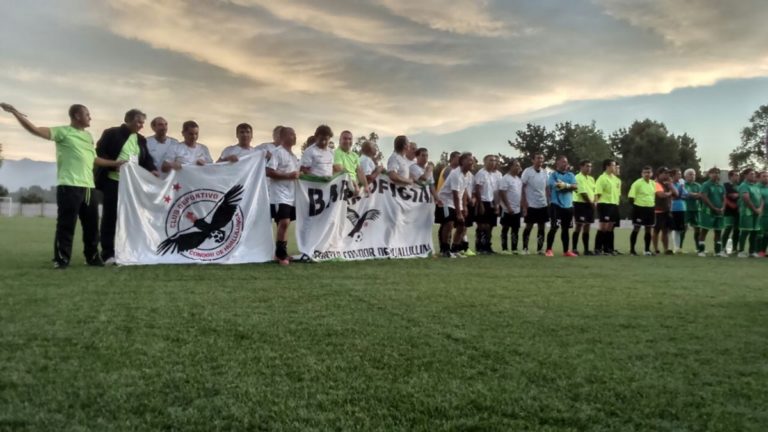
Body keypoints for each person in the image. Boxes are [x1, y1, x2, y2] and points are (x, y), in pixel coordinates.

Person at [1, 102, 124, 268]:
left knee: (92, 226)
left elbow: (93, 159)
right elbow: (35, 130)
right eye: (87, 114)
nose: (90, 118)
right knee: (66, 225)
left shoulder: (88, 136)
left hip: (89, 188)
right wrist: (16, 112)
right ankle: (61, 259)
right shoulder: (62, 132)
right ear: (77, 116)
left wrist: (114, 163)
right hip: (69, 186)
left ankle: (92, 258)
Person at [95, 109, 157, 265]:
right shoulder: (111, 133)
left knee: (130, 217)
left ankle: (128, 250)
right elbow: (100, 153)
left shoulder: (141, 140)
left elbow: (146, 159)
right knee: (110, 218)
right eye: (138, 122)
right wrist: (112, 166)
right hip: (113, 182)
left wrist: (152, 170)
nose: (141, 125)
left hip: (132, 185)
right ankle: (108, 253)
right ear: (127, 120)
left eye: (142, 123)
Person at [266, 127, 300, 266]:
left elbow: (295, 174)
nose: (294, 136)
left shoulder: (293, 156)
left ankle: (281, 252)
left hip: (291, 194)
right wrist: (288, 175)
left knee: (286, 224)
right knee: (284, 222)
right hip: (280, 194)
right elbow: (269, 171)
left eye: (295, 134)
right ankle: (280, 256)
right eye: (292, 134)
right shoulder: (277, 152)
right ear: (283, 136)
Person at [435, 153, 473, 257]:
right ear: (463, 161)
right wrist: (458, 213)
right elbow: (455, 194)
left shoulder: (468, 174)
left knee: (462, 226)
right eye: (470, 160)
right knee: (449, 224)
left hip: (456, 202)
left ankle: (455, 249)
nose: (472, 162)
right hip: (446, 201)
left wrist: (464, 206)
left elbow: (464, 191)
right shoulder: (455, 174)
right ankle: (445, 250)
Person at [545, 156, 578, 257]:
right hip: (556, 205)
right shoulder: (553, 175)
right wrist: (567, 186)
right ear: (557, 163)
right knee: (554, 227)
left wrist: (566, 185)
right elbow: (555, 186)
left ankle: (566, 251)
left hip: (568, 206)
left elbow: (575, 186)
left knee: (566, 229)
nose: (565, 164)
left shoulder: (571, 175)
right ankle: (549, 250)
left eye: (566, 162)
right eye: (563, 162)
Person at [520, 153, 549, 255]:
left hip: (542, 204)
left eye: (541, 158)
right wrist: (524, 204)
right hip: (531, 204)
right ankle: (525, 248)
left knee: (542, 227)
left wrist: (548, 201)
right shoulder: (527, 171)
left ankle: (539, 249)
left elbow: (546, 188)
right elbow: (522, 187)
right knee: (529, 226)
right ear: (533, 160)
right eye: (538, 158)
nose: (540, 160)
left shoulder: (545, 172)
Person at [473, 155, 501, 254]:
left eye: (494, 160)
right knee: (482, 225)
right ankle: (480, 246)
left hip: (492, 202)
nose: (493, 162)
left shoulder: (497, 174)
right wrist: (480, 204)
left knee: (491, 226)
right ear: (485, 162)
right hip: (483, 202)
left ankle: (487, 246)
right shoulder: (481, 173)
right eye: (490, 160)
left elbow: (497, 191)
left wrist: (497, 205)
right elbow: (477, 190)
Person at [697, 167, 726, 257]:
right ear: (709, 174)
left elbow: (724, 198)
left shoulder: (721, 186)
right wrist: (713, 207)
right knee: (704, 230)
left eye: (717, 173)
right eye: (713, 173)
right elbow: (704, 197)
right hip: (708, 211)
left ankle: (717, 251)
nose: (715, 174)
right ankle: (701, 250)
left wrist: (723, 208)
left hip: (719, 212)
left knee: (718, 231)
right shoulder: (706, 185)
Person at [627, 166, 656, 256]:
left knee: (648, 229)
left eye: (649, 172)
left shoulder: (653, 183)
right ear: (642, 174)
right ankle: (632, 250)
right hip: (639, 208)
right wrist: (636, 208)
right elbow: (631, 197)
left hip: (650, 208)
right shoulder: (637, 183)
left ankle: (647, 250)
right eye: (645, 172)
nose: (647, 174)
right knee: (637, 228)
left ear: (651, 173)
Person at [594, 159, 620, 255]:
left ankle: (607, 249)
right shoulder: (602, 178)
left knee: (610, 228)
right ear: (607, 166)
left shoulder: (614, 179)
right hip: (604, 204)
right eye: (613, 165)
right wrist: (596, 204)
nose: (615, 167)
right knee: (603, 227)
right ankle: (597, 248)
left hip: (613, 204)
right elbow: (597, 194)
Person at [736, 168, 763, 258]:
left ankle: (752, 251)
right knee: (745, 231)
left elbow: (761, 199)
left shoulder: (756, 186)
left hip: (757, 212)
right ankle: (741, 251)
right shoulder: (744, 185)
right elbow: (746, 198)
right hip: (747, 212)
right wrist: (755, 209)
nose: (753, 175)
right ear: (746, 175)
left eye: (754, 174)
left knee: (754, 232)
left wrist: (760, 208)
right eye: (751, 174)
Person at [499, 159, 523, 254]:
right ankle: (504, 249)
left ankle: (514, 248)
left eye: (519, 165)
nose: (518, 167)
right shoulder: (506, 178)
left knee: (515, 229)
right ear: (511, 166)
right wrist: (508, 207)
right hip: (507, 209)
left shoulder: (518, 179)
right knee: (505, 228)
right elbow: (502, 193)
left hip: (517, 208)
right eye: (516, 165)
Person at [652, 167, 678, 255]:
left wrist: (670, 185)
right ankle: (656, 249)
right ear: (659, 174)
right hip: (658, 210)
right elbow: (661, 195)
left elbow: (677, 193)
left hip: (667, 210)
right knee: (656, 230)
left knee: (665, 230)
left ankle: (666, 249)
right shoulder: (656, 183)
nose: (667, 175)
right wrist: (670, 193)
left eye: (668, 173)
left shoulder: (667, 184)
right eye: (665, 173)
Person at [572, 160, 596, 255]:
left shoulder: (591, 179)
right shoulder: (577, 177)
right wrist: (591, 203)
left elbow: (594, 191)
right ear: (581, 167)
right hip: (580, 204)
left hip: (590, 204)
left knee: (587, 226)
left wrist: (595, 202)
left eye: (590, 166)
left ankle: (586, 249)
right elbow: (583, 193)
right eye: (587, 166)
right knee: (579, 225)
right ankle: (574, 248)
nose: (589, 168)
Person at [334, 130, 368, 194]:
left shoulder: (355, 155)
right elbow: (340, 170)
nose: (347, 141)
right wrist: (354, 184)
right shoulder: (336, 153)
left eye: (350, 139)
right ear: (340, 140)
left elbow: (360, 171)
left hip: (355, 188)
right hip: (342, 188)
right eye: (345, 139)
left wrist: (366, 186)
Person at [682, 168, 702, 252]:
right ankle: (679, 247)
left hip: (696, 209)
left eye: (693, 174)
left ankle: (698, 248)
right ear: (685, 176)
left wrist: (690, 194)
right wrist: (694, 195)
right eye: (690, 174)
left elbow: (701, 196)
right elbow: (684, 194)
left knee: (698, 229)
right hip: (685, 209)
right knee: (683, 228)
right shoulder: (683, 185)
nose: (692, 176)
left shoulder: (698, 185)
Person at [722, 170, 741, 254]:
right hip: (729, 210)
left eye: (738, 175)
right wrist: (731, 202)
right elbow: (727, 196)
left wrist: (737, 195)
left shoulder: (740, 186)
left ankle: (734, 248)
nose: (737, 177)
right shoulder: (726, 185)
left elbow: (737, 195)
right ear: (730, 177)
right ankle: (723, 247)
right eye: (736, 175)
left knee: (737, 230)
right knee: (728, 228)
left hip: (738, 211)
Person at [669, 169, 688, 253]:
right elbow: (674, 196)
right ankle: (669, 247)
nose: (680, 176)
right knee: (670, 228)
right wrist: (679, 194)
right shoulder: (670, 185)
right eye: (678, 174)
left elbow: (686, 195)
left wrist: (679, 195)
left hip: (681, 208)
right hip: (672, 208)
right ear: (673, 175)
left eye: (680, 174)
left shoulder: (680, 185)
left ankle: (677, 248)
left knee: (679, 229)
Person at [759, 171, 768, 257]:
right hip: (761, 215)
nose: (766, 178)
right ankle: (759, 251)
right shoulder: (757, 188)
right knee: (760, 233)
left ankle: (763, 251)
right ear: (759, 178)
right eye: (764, 176)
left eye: (767, 176)